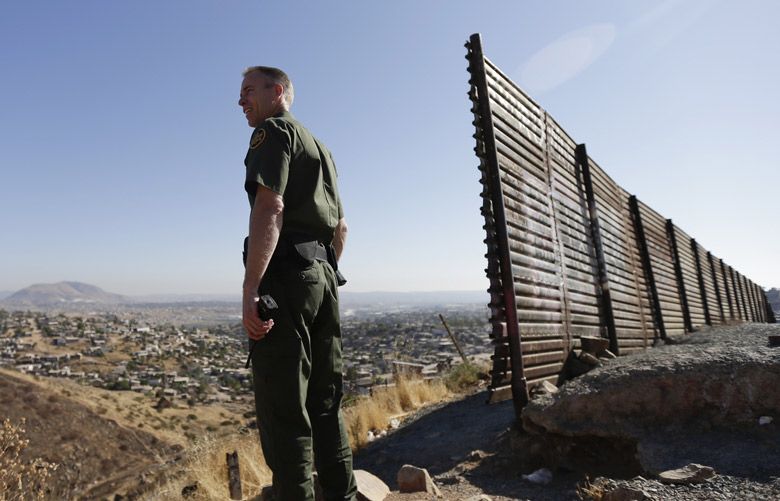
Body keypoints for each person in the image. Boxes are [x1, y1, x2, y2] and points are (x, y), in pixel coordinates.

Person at [238, 66, 356, 501]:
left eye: (249, 90)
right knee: (325, 403)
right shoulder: (322, 148)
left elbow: (270, 206)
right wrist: (320, 273)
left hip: (287, 278)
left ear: (278, 91)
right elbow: (341, 228)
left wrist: (252, 288)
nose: (241, 101)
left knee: (285, 408)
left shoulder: (273, 133)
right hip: (323, 276)